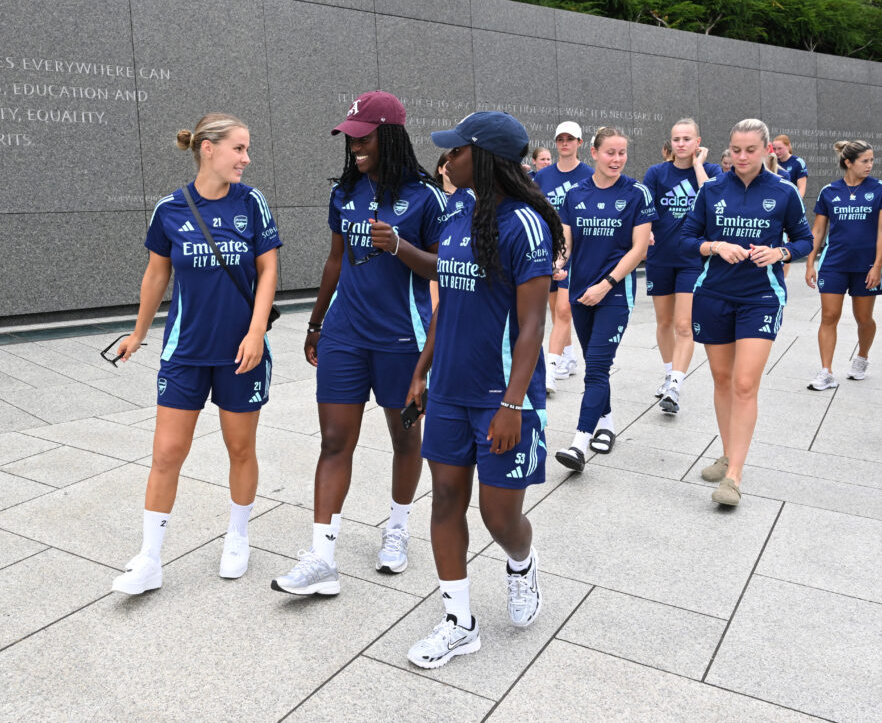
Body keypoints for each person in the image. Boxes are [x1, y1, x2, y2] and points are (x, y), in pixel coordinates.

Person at [404, 111, 564, 668]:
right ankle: (458, 622)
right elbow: (446, 289)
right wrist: (422, 370)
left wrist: (513, 403)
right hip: (448, 388)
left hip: (502, 397)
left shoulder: (524, 224)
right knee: (446, 498)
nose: (446, 160)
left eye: (456, 151)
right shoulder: (455, 209)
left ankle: (521, 563)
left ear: (486, 157)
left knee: (499, 517)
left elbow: (532, 326)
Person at [271, 91, 446, 595]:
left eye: (363, 139)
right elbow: (334, 260)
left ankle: (397, 529)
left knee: (404, 438)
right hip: (345, 334)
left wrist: (400, 245)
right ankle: (322, 559)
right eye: (350, 140)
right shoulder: (343, 193)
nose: (354, 149)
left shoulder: (426, 198)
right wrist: (315, 322)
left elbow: (444, 268)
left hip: (401, 338)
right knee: (333, 440)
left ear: (388, 136)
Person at [111, 113, 282, 594]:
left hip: (240, 353)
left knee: (240, 448)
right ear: (208, 149)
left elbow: (269, 270)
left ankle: (238, 535)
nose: (246, 159)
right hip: (185, 351)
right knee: (166, 453)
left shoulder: (252, 204)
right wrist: (139, 333)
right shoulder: (170, 208)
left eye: (247, 150)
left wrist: (254, 333)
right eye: (239, 149)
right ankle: (148, 559)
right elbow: (156, 276)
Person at [680, 118, 813, 506]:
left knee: (744, 384)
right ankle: (727, 454)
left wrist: (781, 252)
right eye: (735, 149)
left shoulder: (785, 191)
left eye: (750, 150)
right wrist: (715, 247)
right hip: (713, 293)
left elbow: (805, 239)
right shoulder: (711, 189)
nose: (741, 157)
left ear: (767, 149)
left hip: (761, 297)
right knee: (722, 380)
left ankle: (734, 476)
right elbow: (688, 239)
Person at [554, 127, 657, 471]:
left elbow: (639, 248)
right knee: (595, 363)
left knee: (596, 367)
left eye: (622, 152)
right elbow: (566, 243)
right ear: (594, 154)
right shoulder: (575, 195)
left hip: (615, 293)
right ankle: (608, 424)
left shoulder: (636, 194)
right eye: (610, 152)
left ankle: (579, 443)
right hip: (580, 292)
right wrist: (558, 263)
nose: (617, 159)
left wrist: (607, 284)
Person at [642, 118, 722, 412]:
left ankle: (676, 384)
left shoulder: (710, 171)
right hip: (661, 257)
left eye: (687, 139)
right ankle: (668, 375)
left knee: (683, 324)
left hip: (693, 260)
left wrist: (699, 164)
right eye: (676, 139)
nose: (681, 144)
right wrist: (646, 231)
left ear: (698, 142)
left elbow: (712, 198)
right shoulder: (657, 172)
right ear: (670, 143)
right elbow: (646, 208)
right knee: (664, 322)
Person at [804, 140, 882, 389]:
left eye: (871, 160)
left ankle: (862, 357)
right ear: (848, 163)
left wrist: (878, 265)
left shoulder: (881, 190)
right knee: (829, 315)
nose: (870, 165)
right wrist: (810, 263)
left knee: (863, 318)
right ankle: (826, 371)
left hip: (866, 265)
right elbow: (819, 230)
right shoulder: (829, 192)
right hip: (834, 263)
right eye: (865, 161)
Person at [534, 121, 592, 393]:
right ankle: (568, 357)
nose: (565, 143)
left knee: (563, 309)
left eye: (570, 139)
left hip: (576, 250)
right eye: (560, 139)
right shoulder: (543, 177)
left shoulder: (589, 175)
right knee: (556, 307)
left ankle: (550, 368)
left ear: (580, 143)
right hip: (549, 250)